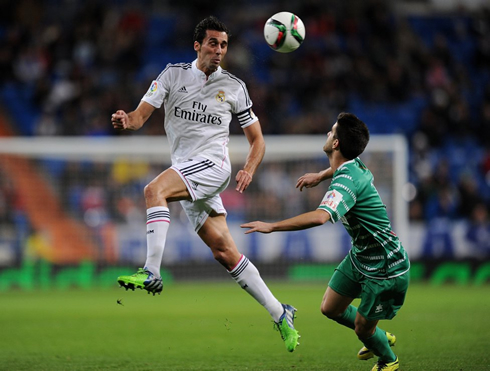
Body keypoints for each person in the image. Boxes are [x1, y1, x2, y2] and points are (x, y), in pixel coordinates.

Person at [110, 16, 299, 352]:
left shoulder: (235, 88)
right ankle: (280, 312)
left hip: (214, 166)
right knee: (225, 253)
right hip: (186, 169)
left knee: (154, 190)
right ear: (197, 45)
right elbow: (140, 116)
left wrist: (250, 168)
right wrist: (127, 120)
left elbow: (258, 141)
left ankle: (151, 270)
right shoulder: (172, 75)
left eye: (224, 45)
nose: (219, 51)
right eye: (213, 43)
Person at [241, 113, 410, 371]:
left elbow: (321, 217)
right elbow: (338, 168)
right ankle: (375, 334)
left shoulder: (346, 181)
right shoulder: (353, 165)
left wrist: (272, 226)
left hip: (385, 266)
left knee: (362, 329)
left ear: (336, 144)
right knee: (330, 307)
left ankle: (388, 359)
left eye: (331, 132)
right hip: (361, 257)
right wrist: (320, 176)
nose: (327, 134)